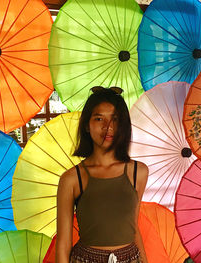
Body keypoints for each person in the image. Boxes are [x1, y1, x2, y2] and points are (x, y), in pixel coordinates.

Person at [56, 86, 149, 263]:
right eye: (99, 119)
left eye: (115, 119)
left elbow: (133, 227)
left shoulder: (139, 172)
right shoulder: (71, 179)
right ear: (86, 125)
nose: (108, 127)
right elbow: (63, 244)